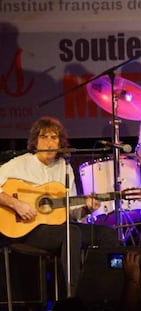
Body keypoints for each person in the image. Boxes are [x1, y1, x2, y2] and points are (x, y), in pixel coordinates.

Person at [0, 116, 120, 297]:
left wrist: (87, 207)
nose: (49, 143)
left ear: (61, 142)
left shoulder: (65, 167)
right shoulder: (20, 163)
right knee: (72, 233)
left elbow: (71, 210)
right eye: (44, 137)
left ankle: (109, 292)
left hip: (58, 228)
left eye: (54, 138)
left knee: (107, 234)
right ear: (35, 141)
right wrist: (16, 204)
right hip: (27, 229)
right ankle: (75, 297)